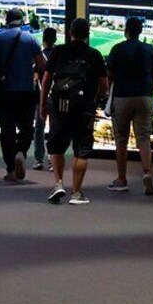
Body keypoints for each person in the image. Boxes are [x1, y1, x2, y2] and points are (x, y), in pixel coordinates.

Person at [39, 18, 108, 204]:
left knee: (57, 144)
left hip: (59, 104)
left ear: (70, 32)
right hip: (83, 107)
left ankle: (58, 183)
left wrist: (43, 104)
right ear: (87, 34)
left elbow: (46, 80)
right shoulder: (94, 54)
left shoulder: (59, 51)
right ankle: (76, 193)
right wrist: (96, 99)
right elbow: (104, 84)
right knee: (81, 149)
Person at [0, 8, 45, 182]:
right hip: (26, 92)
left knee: (7, 130)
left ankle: (10, 169)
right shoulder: (31, 40)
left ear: (6, 20)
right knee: (27, 128)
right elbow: (41, 67)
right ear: (22, 20)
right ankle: (21, 152)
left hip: (4, 93)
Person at [105, 17, 153, 195]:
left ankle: (122, 179)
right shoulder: (149, 49)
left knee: (121, 139)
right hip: (144, 97)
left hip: (122, 97)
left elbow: (109, 75)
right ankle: (146, 172)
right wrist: (150, 92)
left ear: (126, 31)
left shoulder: (117, 49)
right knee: (144, 138)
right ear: (141, 31)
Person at [32, 27, 58, 170]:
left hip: (40, 96)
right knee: (54, 128)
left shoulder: (39, 56)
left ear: (43, 40)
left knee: (39, 128)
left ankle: (38, 159)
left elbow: (34, 78)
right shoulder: (59, 55)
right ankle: (52, 159)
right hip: (55, 97)